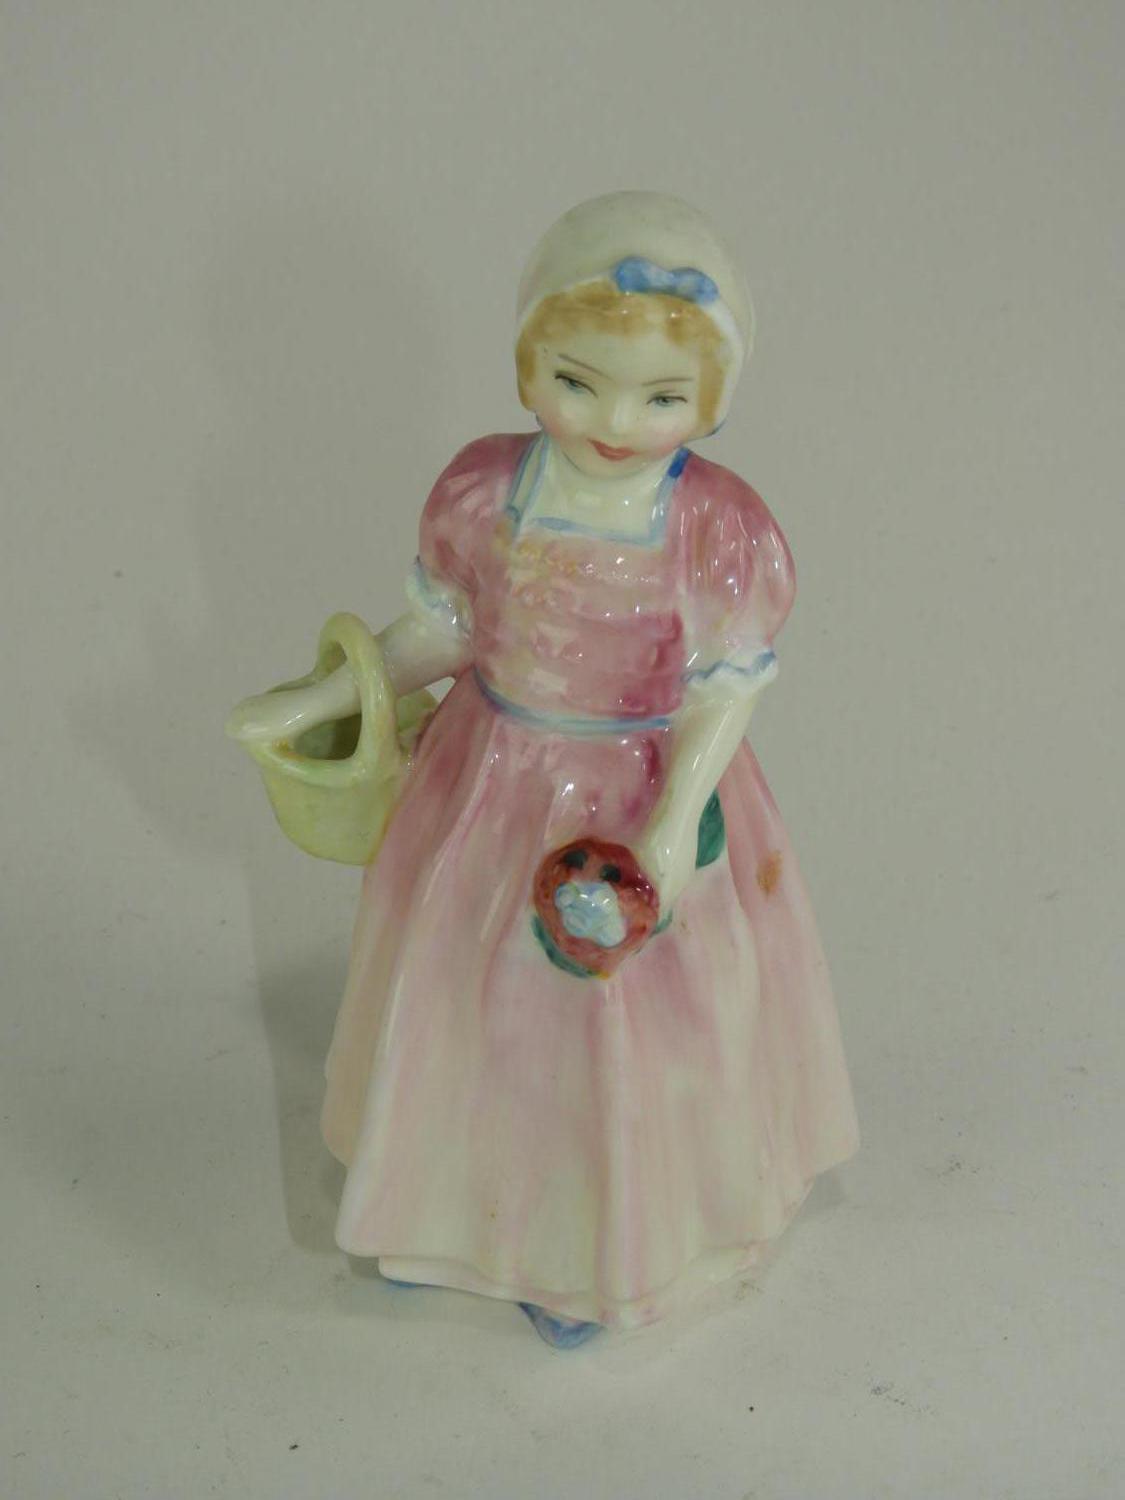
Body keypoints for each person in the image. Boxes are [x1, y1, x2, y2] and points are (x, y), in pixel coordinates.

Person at [228, 191, 858, 1347]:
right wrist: (327, 694)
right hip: (490, 782)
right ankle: (453, 1214)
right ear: (528, 364)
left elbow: (726, 688)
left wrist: (667, 831)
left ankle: (600, 1248)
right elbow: (444, 630)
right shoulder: (485, 491)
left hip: (638, 792)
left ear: (713, 401)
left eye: (662, 397)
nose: (615, 420)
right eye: (578, 380)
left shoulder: (714, 528)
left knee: (622, 1031)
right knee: (468, 1003)